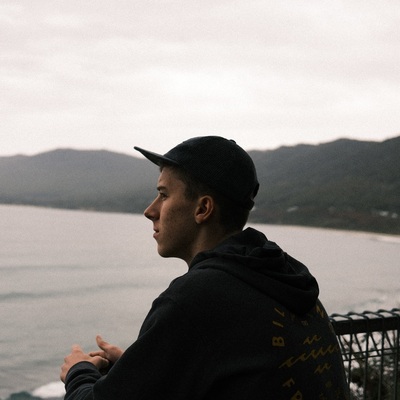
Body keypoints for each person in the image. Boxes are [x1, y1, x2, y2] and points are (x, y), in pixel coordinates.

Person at [60, 136, 348, 399]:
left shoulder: (197, 298)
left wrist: (79, 372)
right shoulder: (282, 279)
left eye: (163, 195)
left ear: (202, 209)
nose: (150, 211)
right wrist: (137, 368)